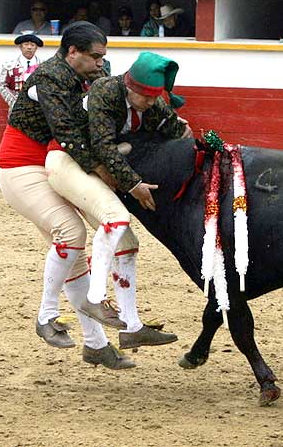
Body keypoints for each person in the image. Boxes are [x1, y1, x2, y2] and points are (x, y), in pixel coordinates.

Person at [0, 21, 134, 369]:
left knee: (74, 257)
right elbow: (68, 133)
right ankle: (46, 315)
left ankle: (95, 345)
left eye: (103, 56)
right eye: (95, 56)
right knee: (71, 234)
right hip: (21, 166)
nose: (101, 62)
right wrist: (105, 170)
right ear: (72, 52)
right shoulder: (49, 77)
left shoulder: (90, 75)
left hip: (52, 164)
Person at [45, 51, 189, 351]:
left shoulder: (152, 103)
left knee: (126, 243)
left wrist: (201, 137)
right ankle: (94, 299)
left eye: (155, 97)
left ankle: (132, 327)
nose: (151, 103)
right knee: (117, 220)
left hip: (93, 171)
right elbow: (102, 146)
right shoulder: (106, 90)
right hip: (67, 160)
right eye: (147, 97)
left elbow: (179, 130)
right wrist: (134, 184)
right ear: (130, 86)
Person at [0, 34, 44, 113]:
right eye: (26, 44)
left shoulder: (44, 66)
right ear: (20, 47)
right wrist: (14, 102)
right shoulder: (10, 65)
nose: (29, 47)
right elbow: (2, 86)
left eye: (32, 45)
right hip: (16, 108)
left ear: (36, 48)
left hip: (38, 108)